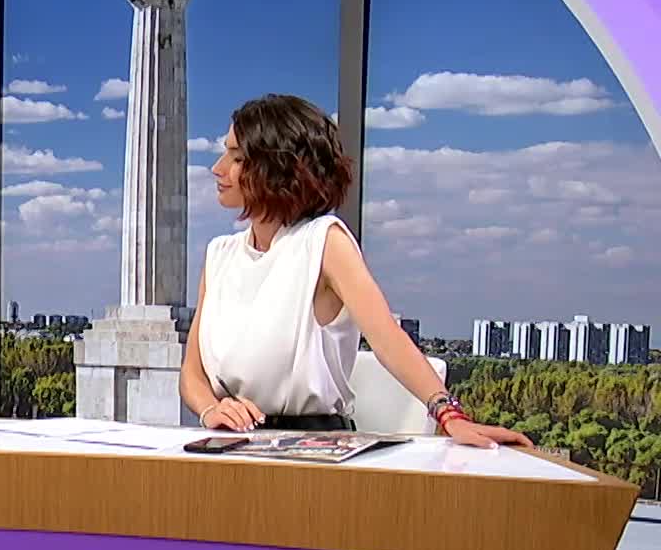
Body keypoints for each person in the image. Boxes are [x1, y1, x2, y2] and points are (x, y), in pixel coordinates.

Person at [181, 94, 529, 448]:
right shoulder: (219, 255)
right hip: (230, 447)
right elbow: (192, 373)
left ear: (278, 168)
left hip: (310, 449)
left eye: (237, 157)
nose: (218, 168)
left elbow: (386, 337)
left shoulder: (323, 241)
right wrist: (212, 410)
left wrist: (448, 413)